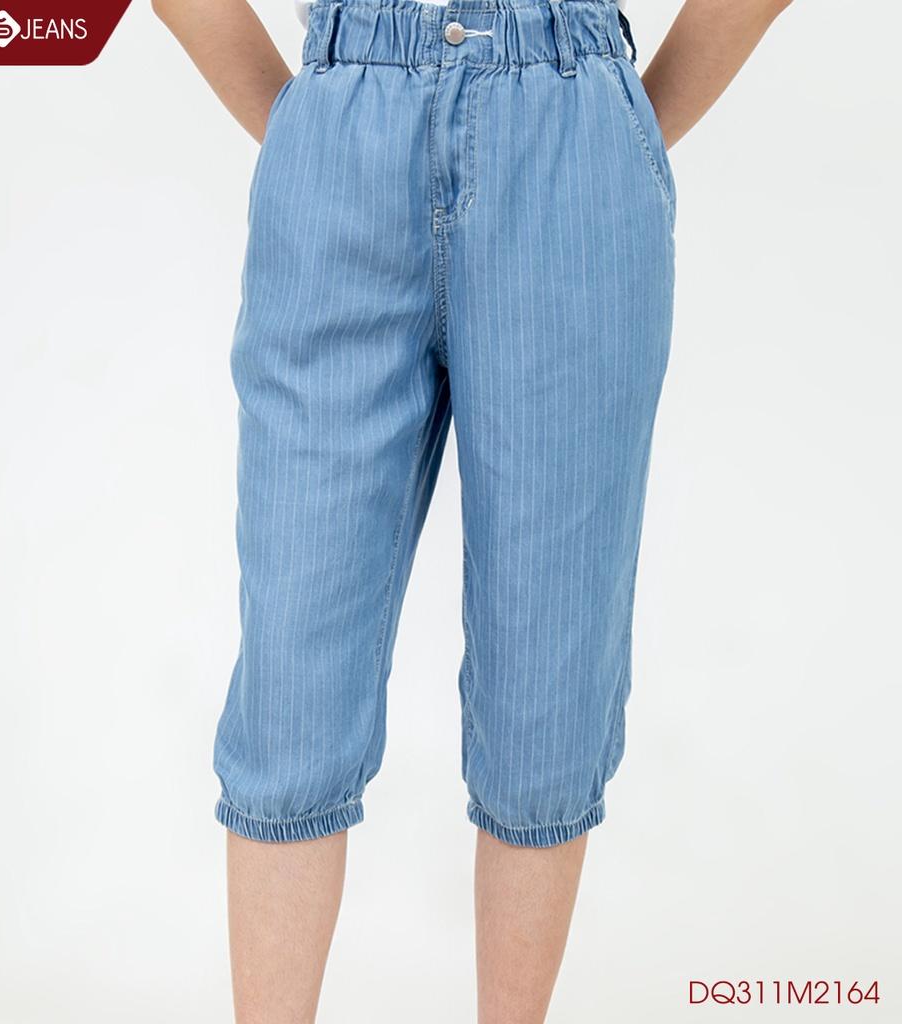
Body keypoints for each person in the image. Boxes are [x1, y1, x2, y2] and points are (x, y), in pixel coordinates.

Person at [153, 0, 794, 1020]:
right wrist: (311, 125)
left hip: (569, 151)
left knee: (547, 691)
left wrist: (614, 130)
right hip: (343, 139)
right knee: (290, 690)